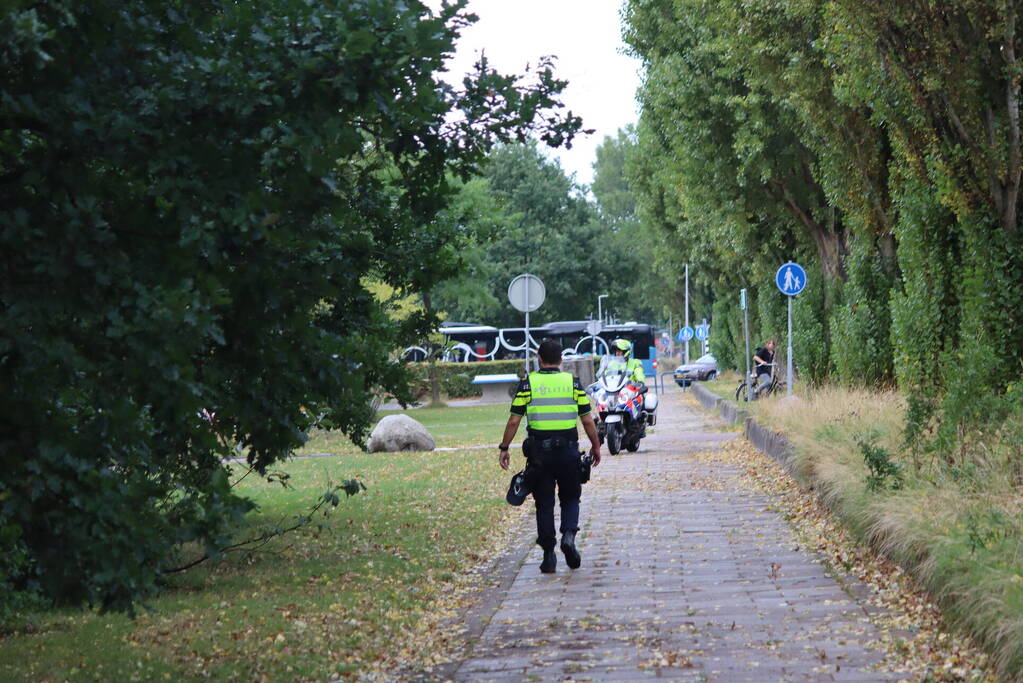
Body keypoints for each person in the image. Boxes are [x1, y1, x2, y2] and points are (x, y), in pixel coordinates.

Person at [498, 340, 602, 573]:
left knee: (544, 503)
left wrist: (504, 447)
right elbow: (587, 419)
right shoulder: (573, 383)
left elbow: (514, 420)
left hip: (540, 455)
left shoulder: (528, 384)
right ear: (561, 360)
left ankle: (548, 556)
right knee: (571, 497)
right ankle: (568, 536)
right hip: (568, 453)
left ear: (539, 359)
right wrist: (595, 446)